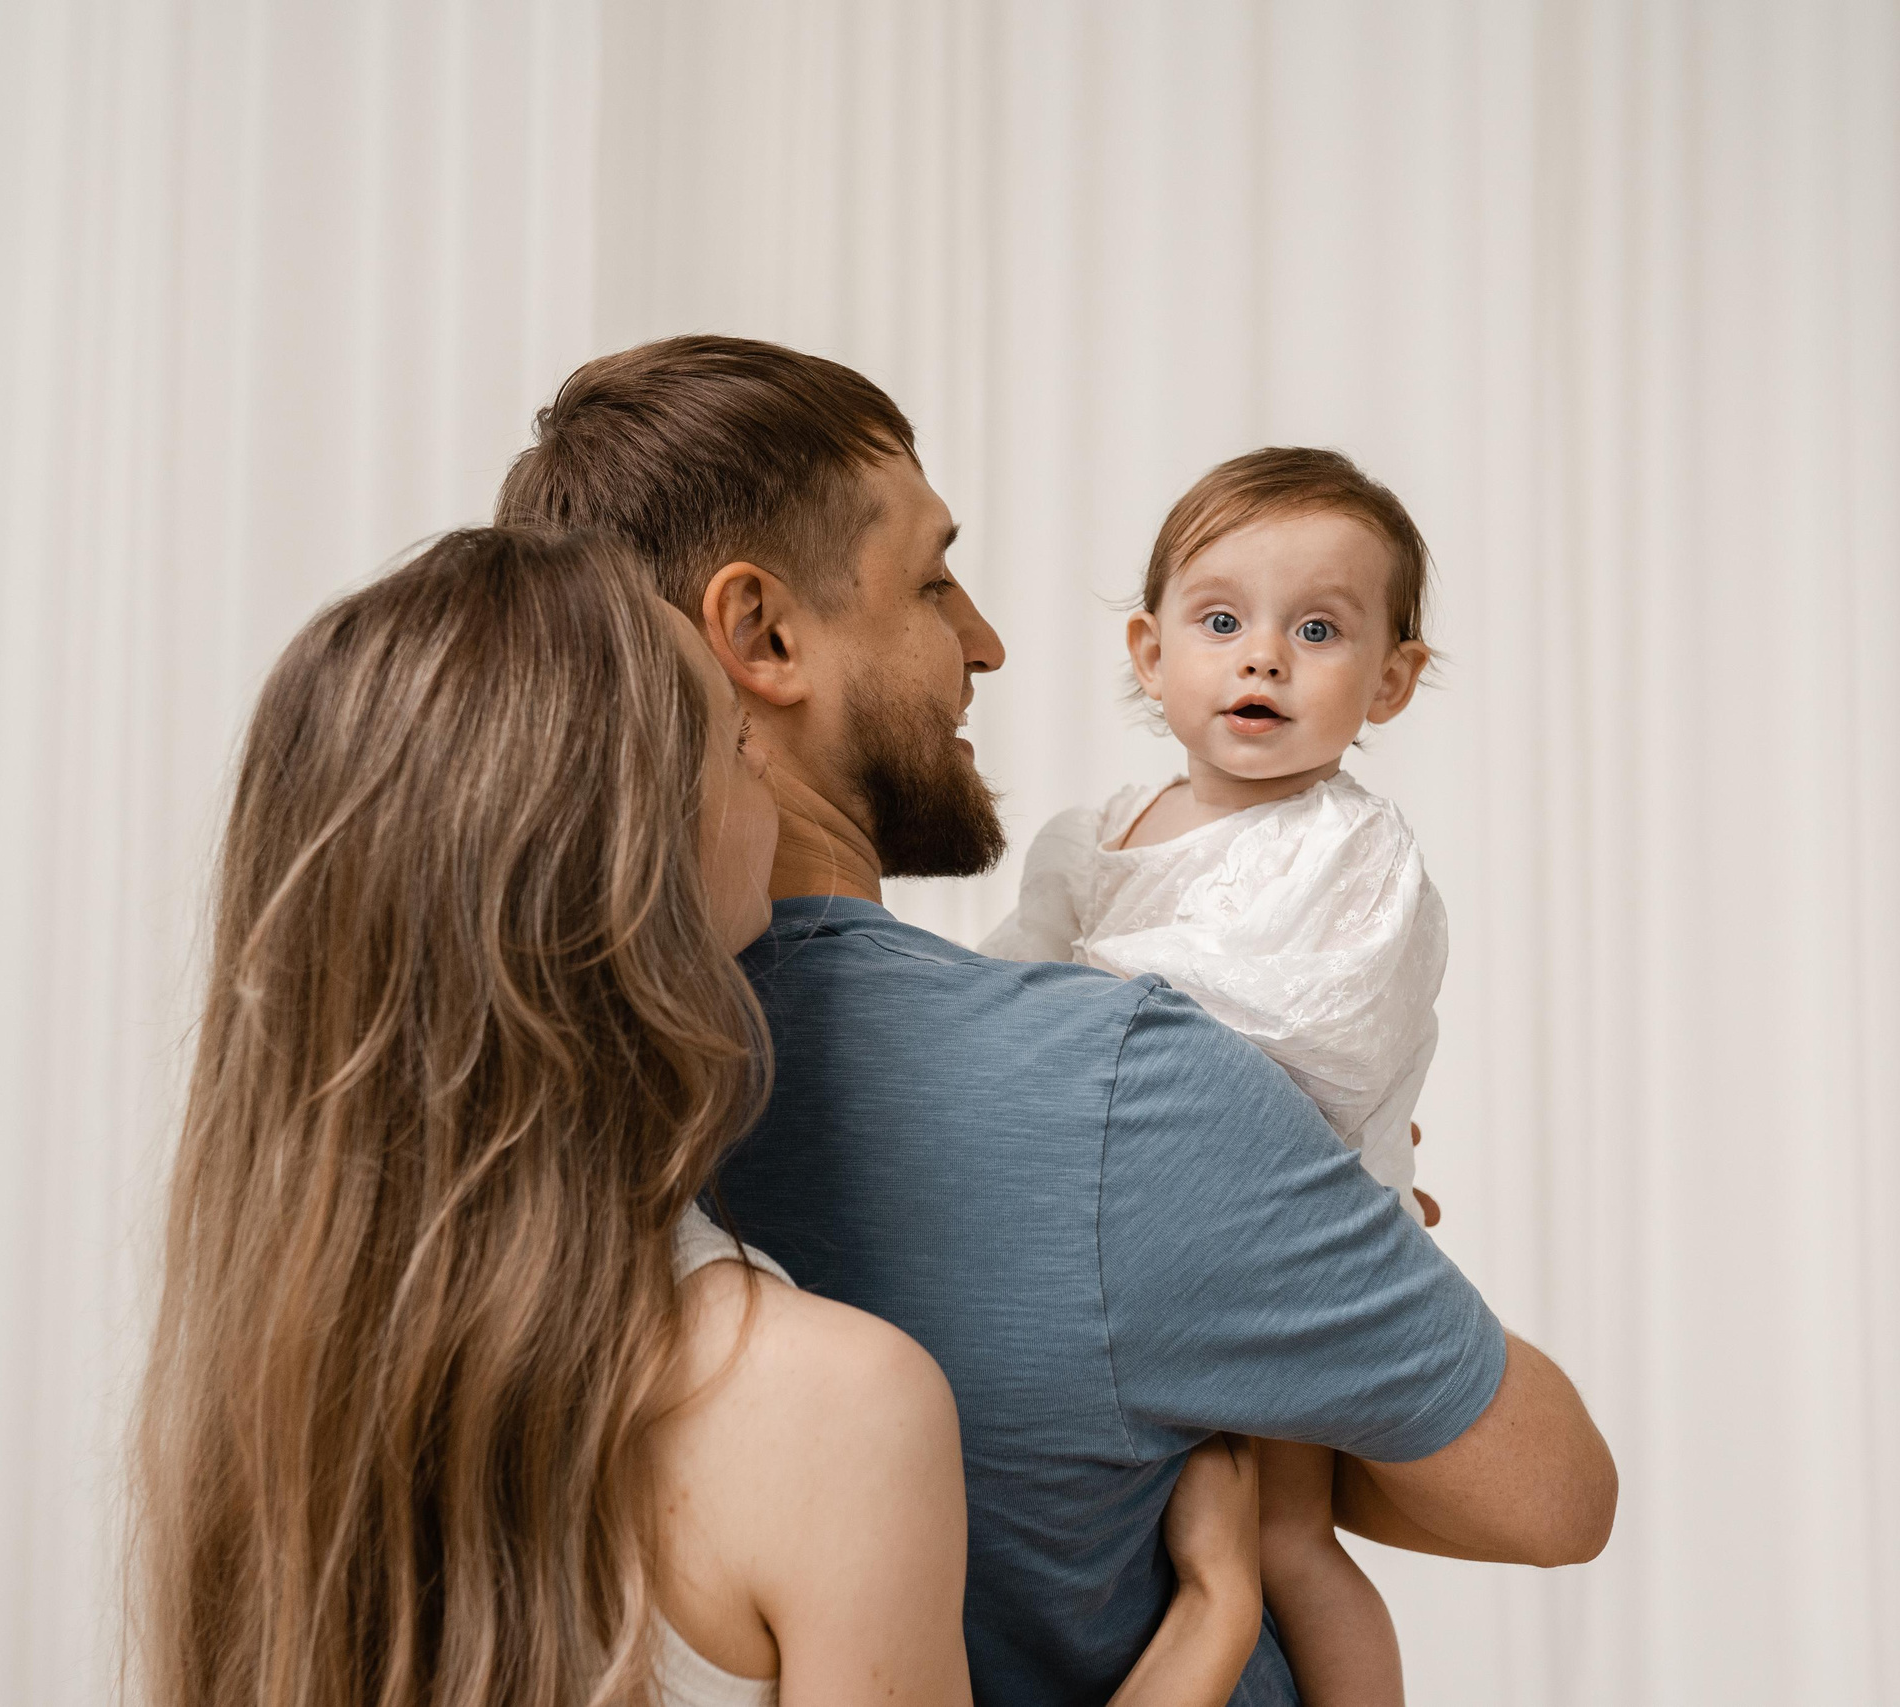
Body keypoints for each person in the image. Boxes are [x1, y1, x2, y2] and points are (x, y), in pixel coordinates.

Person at [495, 336, 1619, 1706]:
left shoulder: (526, 1082)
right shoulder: (1125, 1082)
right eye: (931, 578)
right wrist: (1297, 1241)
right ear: (765, 636)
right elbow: (1554, 1495)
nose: (986, 639)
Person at [131, 527, 1272, 1707]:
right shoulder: (834, 1404)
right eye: (734, 744)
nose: (769, 781)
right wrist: (1212, 1613)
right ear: (633, 855)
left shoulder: (258, 1376)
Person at [983, 447, 1451, 1704]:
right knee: (1161, 1515)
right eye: (1222, 620)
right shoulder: (1094, 838)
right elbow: (1002, 997)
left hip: (1291, 1233)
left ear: (1390, 682)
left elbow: (1294, 1021)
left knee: (1287, 1530)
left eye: (1317, 629)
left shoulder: (1350, 847)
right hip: (1124, 1227)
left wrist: (1074, 1013)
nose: (1263, 659)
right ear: (1150, 653)